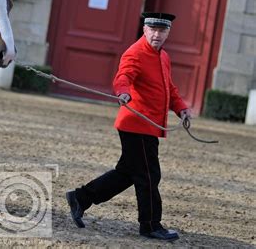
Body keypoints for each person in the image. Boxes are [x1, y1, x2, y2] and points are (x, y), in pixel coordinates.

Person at [66, 12, 191, 241]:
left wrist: (181, 108)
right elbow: (123, 76)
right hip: (136, 125)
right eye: (152, 29)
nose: (156, 34)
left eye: (162, 30)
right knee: (149, 175)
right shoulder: (135, 52)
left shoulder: (163, 57)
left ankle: (80, 198)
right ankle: (151, 225)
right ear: (144, 30)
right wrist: (123, 92)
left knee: (127, 173)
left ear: (168, 33)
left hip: (148, 126)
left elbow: (169, 89)